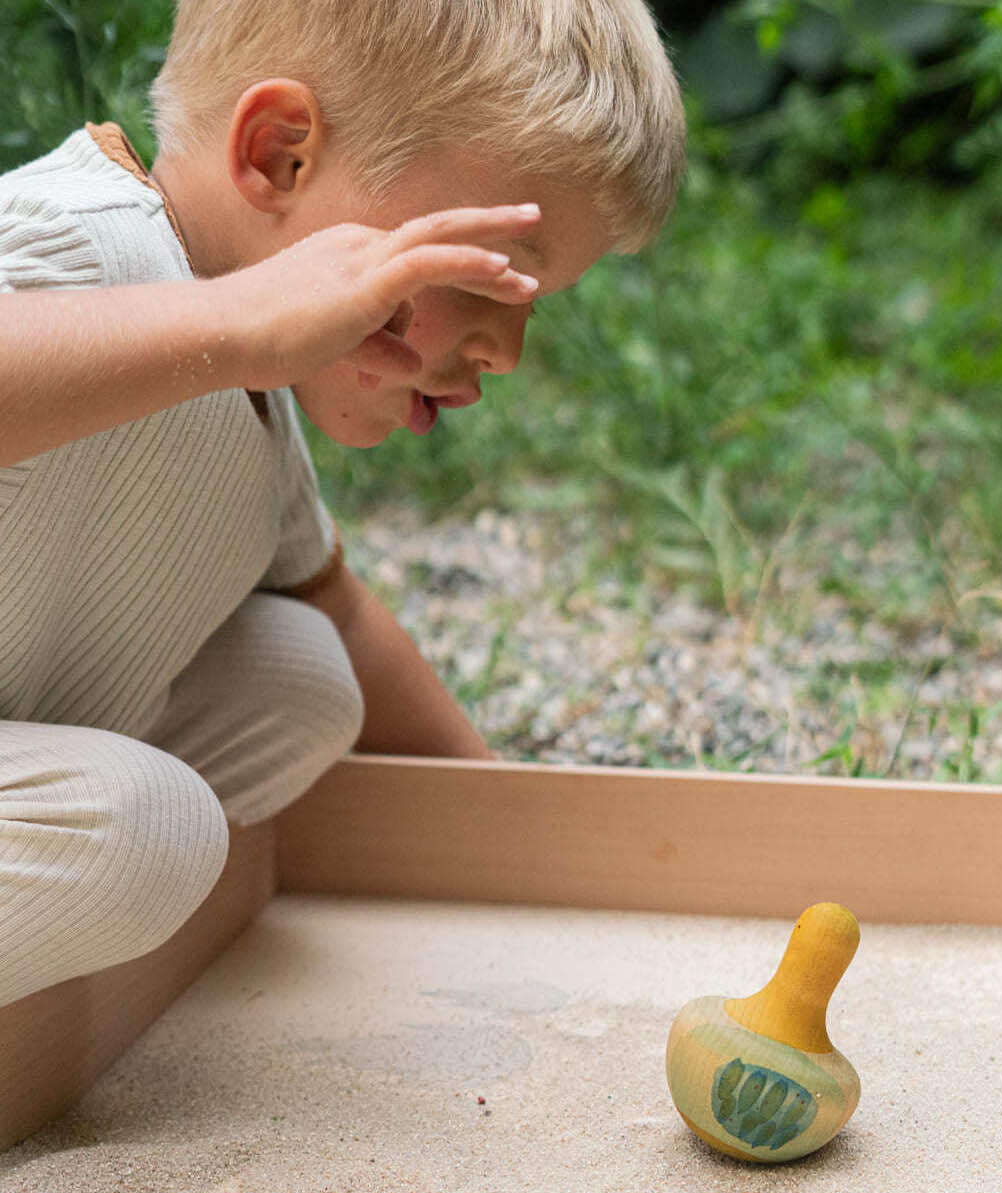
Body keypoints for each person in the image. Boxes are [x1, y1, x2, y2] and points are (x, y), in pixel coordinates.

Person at [0, 0, 685, 1007]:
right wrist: (236, 321)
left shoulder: (253, 407)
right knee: (144, 825)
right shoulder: (85, 241)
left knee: (304, 678)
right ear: (279, 155)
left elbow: (344, 616)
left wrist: (525, 851)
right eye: (485, 282)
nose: (505, 351)